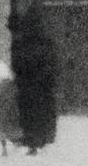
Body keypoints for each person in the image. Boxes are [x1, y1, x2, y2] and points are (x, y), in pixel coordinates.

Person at [9, 9, 57, 155]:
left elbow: (15, 65)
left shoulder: (18, 44)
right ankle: (38, 141)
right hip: (42, 85)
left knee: (27, 113)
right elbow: (52, 64)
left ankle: (31, 143)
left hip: (25, 84)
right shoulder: (47, 43)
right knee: (41, 113)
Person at [0, 60, 23, 156]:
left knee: (2, 132)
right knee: (14, 130)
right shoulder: (14, 87)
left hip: (0, 115)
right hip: (11, 113)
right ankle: (17, 143)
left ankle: (4, 150)